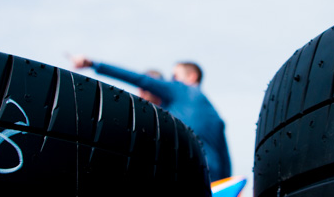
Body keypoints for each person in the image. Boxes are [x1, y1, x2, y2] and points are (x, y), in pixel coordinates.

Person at [69, 56, 232, 182]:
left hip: (188, 173)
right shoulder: (213, 113)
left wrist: (94, 64)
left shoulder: (180, 89)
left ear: (191, 77)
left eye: (174, 76)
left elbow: (141, 79)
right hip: (213, 180)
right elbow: (225, 157)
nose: (169, 82)